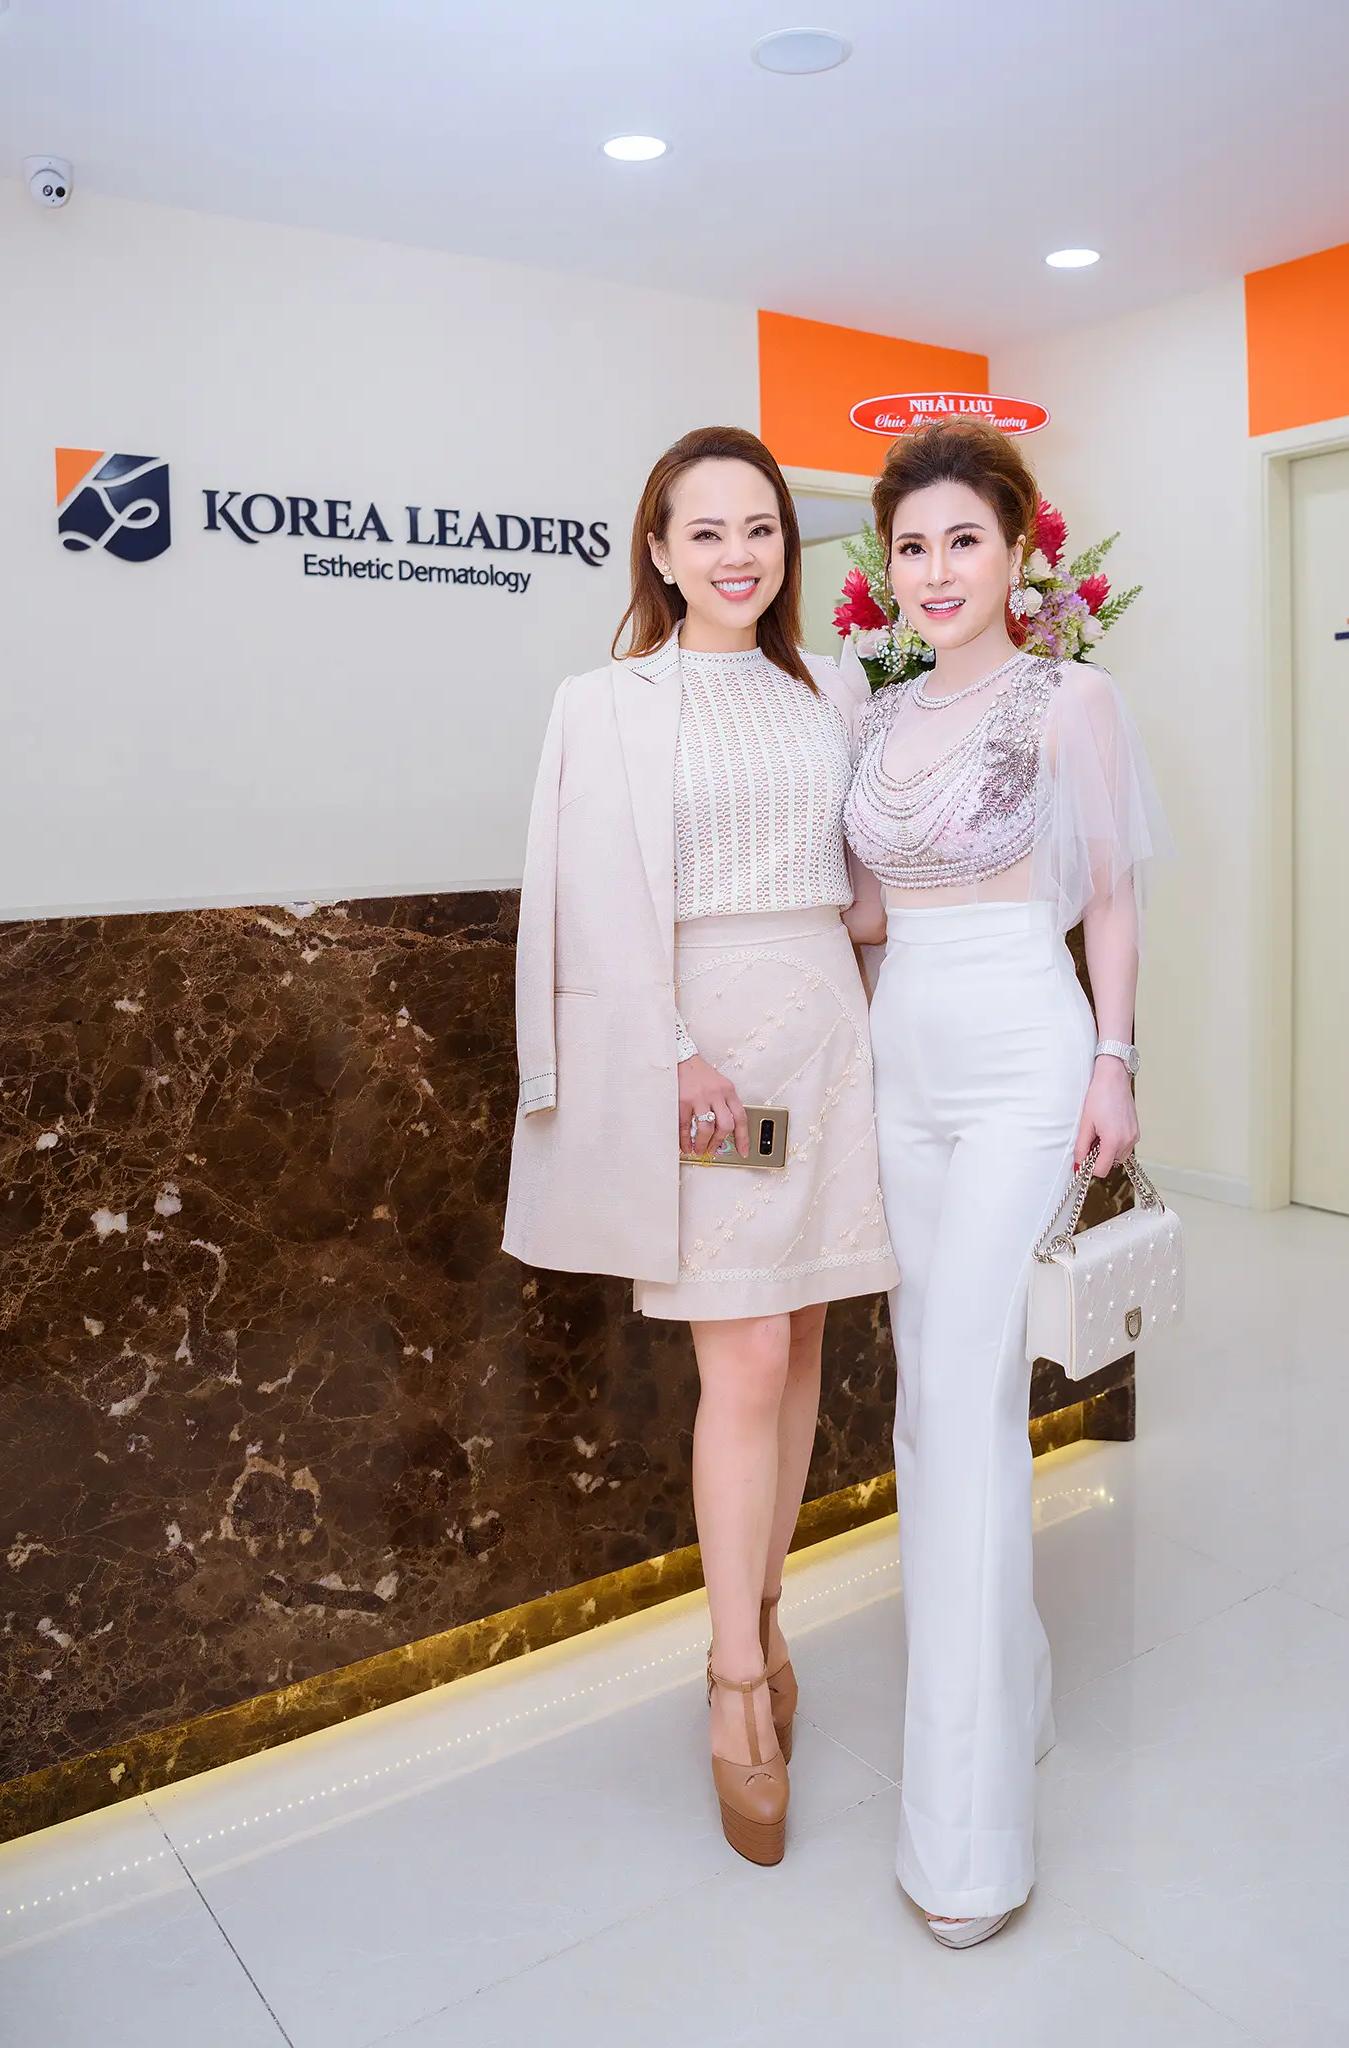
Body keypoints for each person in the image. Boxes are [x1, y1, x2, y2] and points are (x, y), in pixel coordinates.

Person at [504, 424, 898, 1868]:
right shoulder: (606, 702)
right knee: (741, 1352)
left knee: (797, 1340)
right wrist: (671, 1053)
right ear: (660, 554)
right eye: (706, 531)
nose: (738, 554)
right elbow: (587, 898)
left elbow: (865, 888)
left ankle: (767, 1612)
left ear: (789, 546)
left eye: (761, 527)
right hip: (708, 1059)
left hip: (827, 1037)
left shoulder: (836, 687)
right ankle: (734, 1676)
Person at [842, 417, 1168, 1946]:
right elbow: (862, 912)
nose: (934, 570)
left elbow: (1109, 898)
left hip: (1022, 1053)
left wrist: (1113, 1058)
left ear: (1018, 551)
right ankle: (1015, 1689)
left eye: (961, 540)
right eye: (910, 546)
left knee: (959, 1401)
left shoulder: (1068, 699)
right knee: (932, 1396)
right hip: (897, 1056)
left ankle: (963, 1849)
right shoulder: (875, 716)